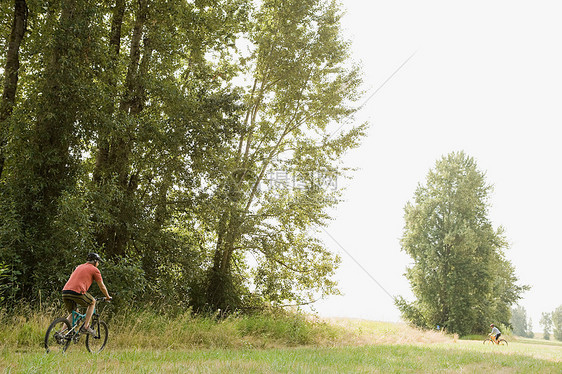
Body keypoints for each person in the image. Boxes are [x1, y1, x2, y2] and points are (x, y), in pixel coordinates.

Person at [62, 253, 112, 335]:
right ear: (95, 261)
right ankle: (86, 326)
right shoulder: (95, 270)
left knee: (73, 313)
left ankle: (61, 334)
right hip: (77, 292)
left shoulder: (79, 266)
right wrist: (107, 296)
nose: (98, 264)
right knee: (92, 302)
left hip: (65, 292)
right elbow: (101, 286)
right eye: (98, 262)